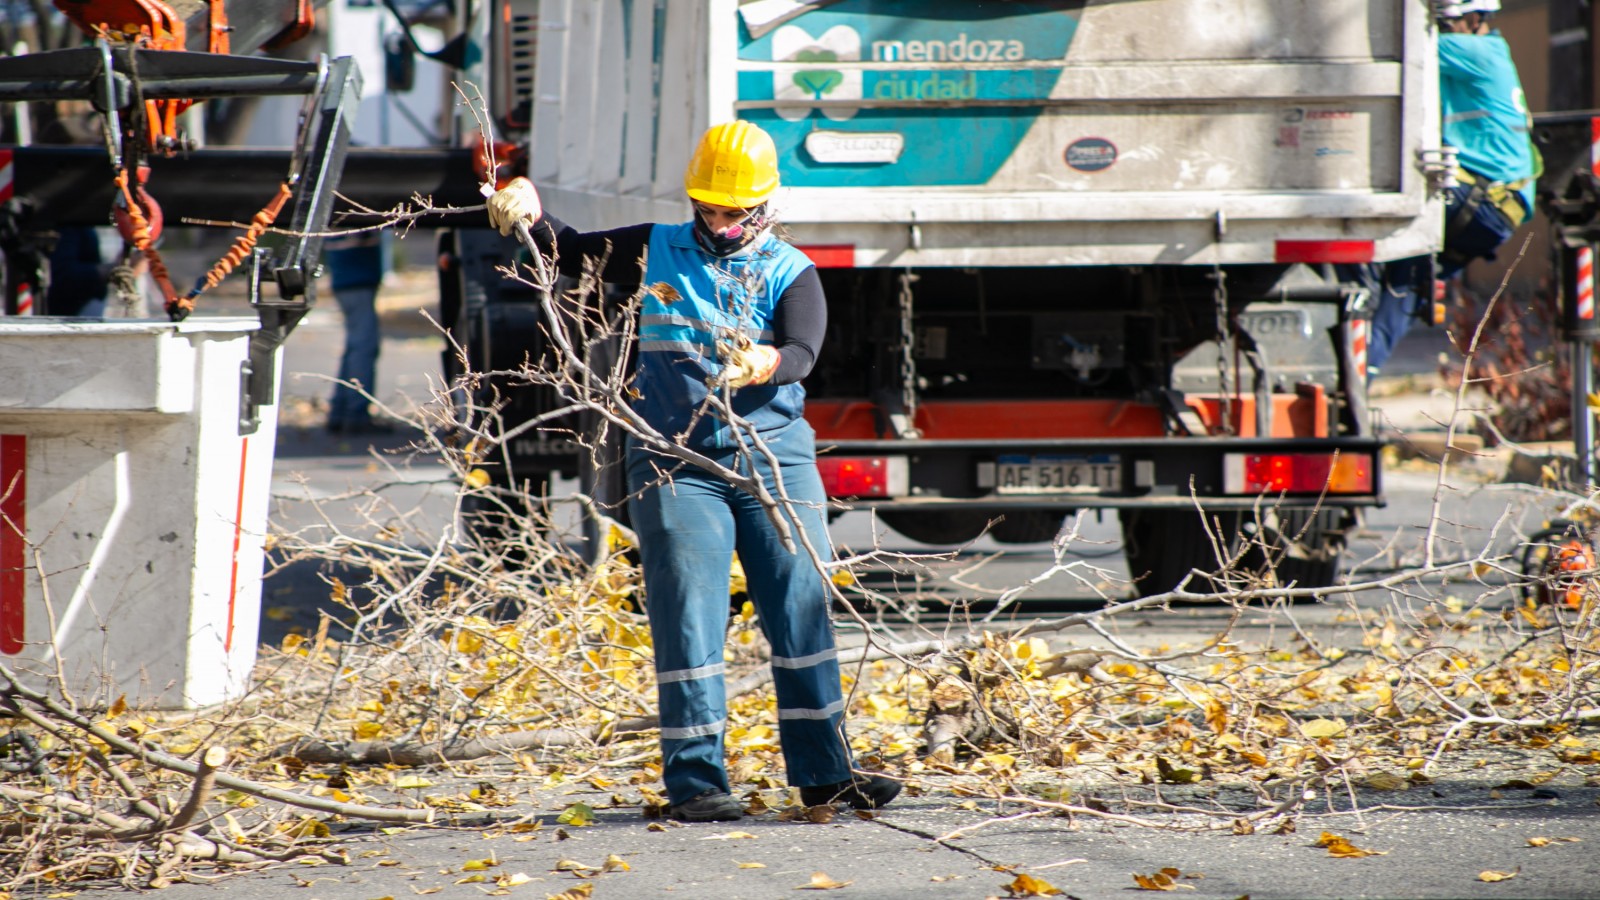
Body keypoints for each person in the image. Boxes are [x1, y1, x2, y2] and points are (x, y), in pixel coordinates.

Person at [486, 121, 899, 822]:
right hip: (674, 460)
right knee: (687, 613)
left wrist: (767, 362)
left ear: (766, 205)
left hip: (772, 457)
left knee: (800, 605)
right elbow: (566, 249)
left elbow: (802, 349)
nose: (721, 222)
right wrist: (522, 203)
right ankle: (697, 782)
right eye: (709, 208)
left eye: (735, 211)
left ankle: (827, 773)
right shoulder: (657, 247)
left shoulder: (790, 270)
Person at [1346, 0, 1535, 376]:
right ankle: (1359, 374)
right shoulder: (1485, 51)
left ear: (1477, 19)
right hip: (1495, 212)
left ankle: (1351, 327)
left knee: (1363, 229)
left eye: (1450, 24)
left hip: (1481, 201)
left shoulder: (1475, 50)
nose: (1444, 32)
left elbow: (1403, 46)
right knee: (1408, 284)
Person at [324, 231, 391, 434]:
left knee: (356, 346)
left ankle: (340, 411)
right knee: (364, 346)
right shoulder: (351, 207)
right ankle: (356, 413)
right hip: (356, 276)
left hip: (350, 276)